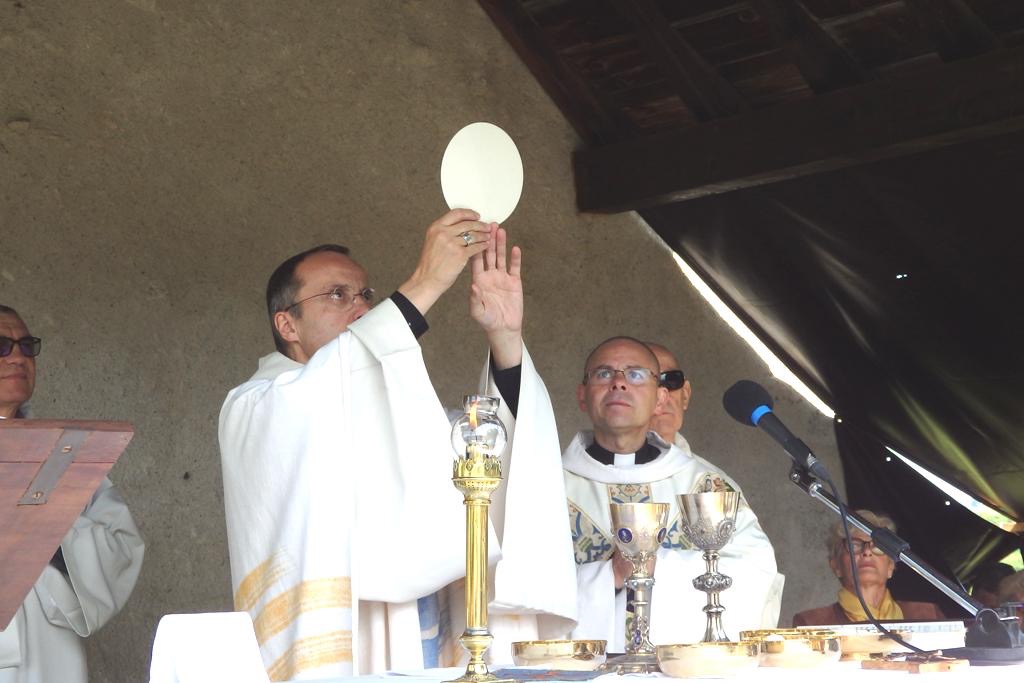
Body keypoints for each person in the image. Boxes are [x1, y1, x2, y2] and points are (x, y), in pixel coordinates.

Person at [219, 210, 576, 680]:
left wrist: (505, 339)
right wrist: (426, 283)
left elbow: (488, 451)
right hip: (347, 636)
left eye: (365, 294)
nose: (363, 307)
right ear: (288, 325)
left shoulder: (393, 404)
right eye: (337, 295)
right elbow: (329, 388)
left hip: (428, 633)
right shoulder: (256, 407)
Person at [562, 336, 780, 649]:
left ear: (660, 399)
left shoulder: (706, 486)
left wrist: (658, 567)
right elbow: (516, 590)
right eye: (604, 373)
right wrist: (608, 575)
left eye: (636, 374)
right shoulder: (548, 487)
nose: (619, 383)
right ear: (583, 396)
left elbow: (755, 573)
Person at [0, 305, 145, 683]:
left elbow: (121, 549)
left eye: (26, 346)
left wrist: (50, 530)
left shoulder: (63, 457)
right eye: (1, 345)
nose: (18, 356)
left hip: (48, 649)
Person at [791, 510, 943, 626]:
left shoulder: (927, 615)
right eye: (854, 545)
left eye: (877, 546)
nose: (867, 552)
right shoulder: (812, 623)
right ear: (836, 565)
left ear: (890, 566)